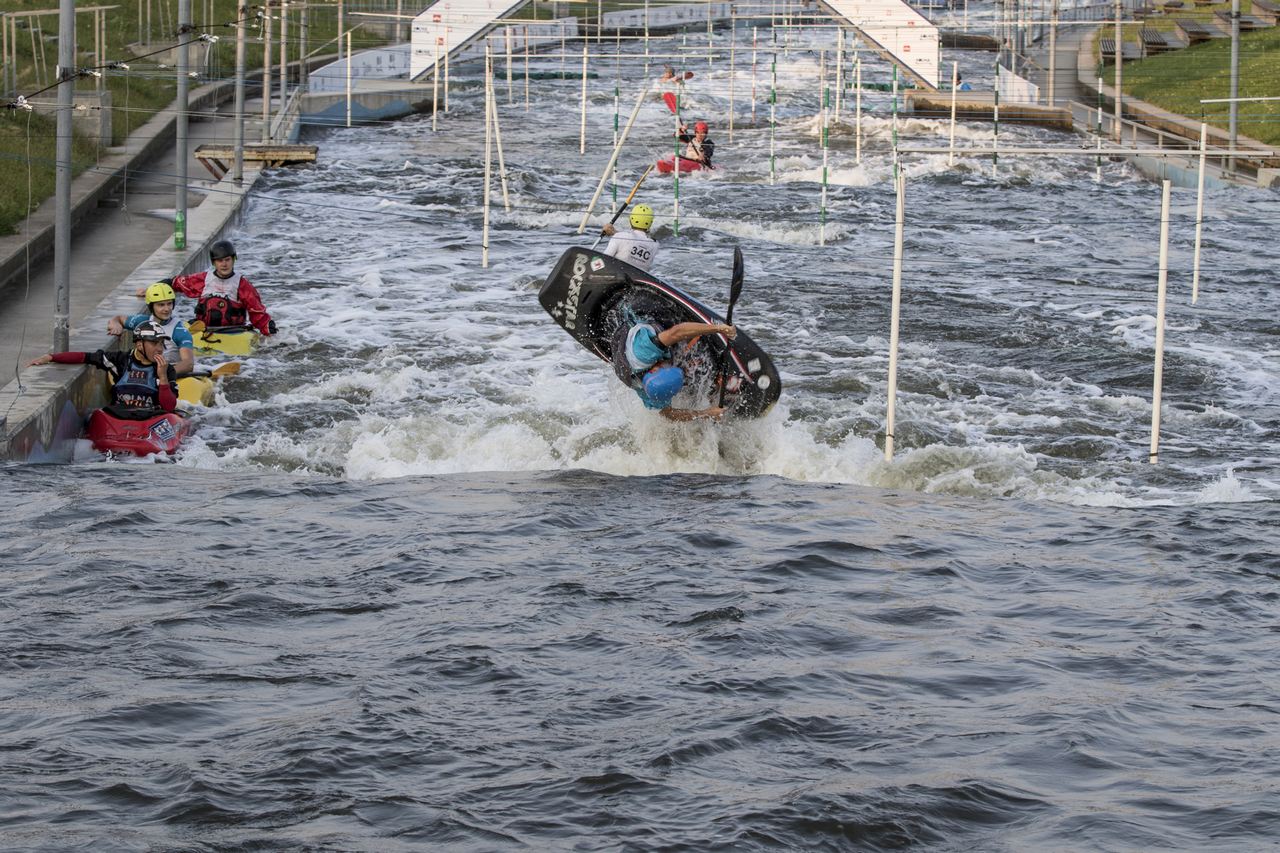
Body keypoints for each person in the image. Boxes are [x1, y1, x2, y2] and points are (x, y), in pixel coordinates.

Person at [27, 320, 179, 412]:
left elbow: (169, 407)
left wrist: (163, 377)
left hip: (151, 417)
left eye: (161, 344)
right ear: (139, 344)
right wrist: (51, 357)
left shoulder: (167, 370)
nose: (159, 349)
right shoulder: (120, 360)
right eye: (154, 343)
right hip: (120, 416)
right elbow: (85, 357)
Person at [611, 318, 735, 421]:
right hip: (624, 358)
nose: (669, 366)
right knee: (681, 365)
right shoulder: (652, 393)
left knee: (670, 336)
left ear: (653, 371)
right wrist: (707, 413)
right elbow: (669, 415)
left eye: (667, 368)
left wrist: (719, 329)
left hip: (638, 326)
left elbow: (677, 331)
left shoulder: (644, 352)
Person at [143, 239, 276, 335]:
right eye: (220, 260)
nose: (224, 264)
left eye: (227, 260)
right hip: (203, 329)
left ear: (234, 260)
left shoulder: (243, 285)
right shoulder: (203, 279)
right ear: (213, 262)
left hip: (234, 332)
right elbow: (176, 283)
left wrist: (267, 326)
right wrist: (151, 290)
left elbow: (257, 313)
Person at [108, 281, 195, 374]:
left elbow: (188, 364)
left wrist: (162, 374)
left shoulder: (180, 331)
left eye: (169, 304)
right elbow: (119, 318)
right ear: (151, 306)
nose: (166, 309)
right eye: (161, 305)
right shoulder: (142, 321)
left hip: (167, 373)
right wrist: (115, 323)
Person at [601, 204, 659, 272]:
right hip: (637, 279)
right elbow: (637, 240)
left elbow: (603, 261)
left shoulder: (619, 237)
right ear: (650, 223)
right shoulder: (655, 245)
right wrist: (614, 233)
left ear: (631, 219)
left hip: (617, 276)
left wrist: (615, 234)